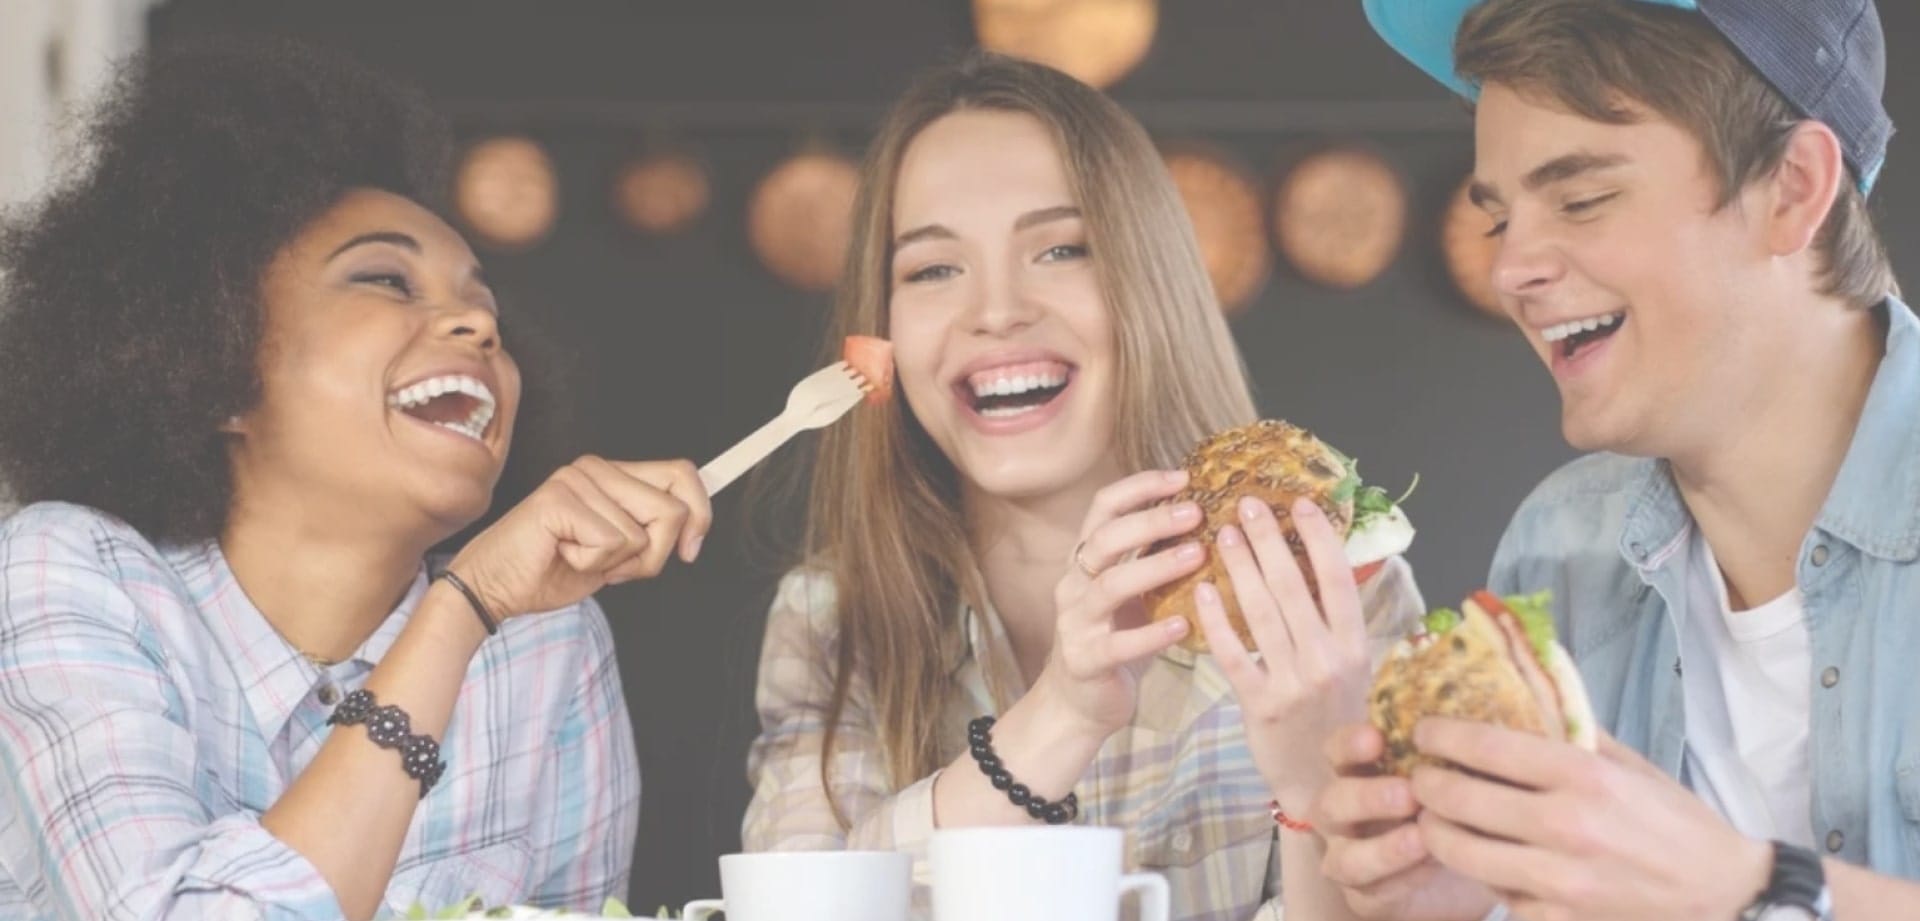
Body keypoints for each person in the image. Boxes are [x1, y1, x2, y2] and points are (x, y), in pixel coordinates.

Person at [0, 40, 709, 921]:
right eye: (385, 279)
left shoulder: (547, 648)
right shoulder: (68, 571)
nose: (475, 324)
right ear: (213, 364)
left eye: (482, 304)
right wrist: (462, 608)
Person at [740, 51, 1423, 921]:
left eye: (1060, 249)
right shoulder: (830, 616)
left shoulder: (1335, 587)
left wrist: (1314, 784)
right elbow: (790, 909)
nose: (995, 310)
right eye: (932, 269)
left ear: (1151, 284)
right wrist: (1059, 715)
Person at [1315, 1, 1920, 918]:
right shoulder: (1557, 548)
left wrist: (1749, 890)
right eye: (1499, 220)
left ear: (1794, 187)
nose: (1512, 268)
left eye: (1582, 198)